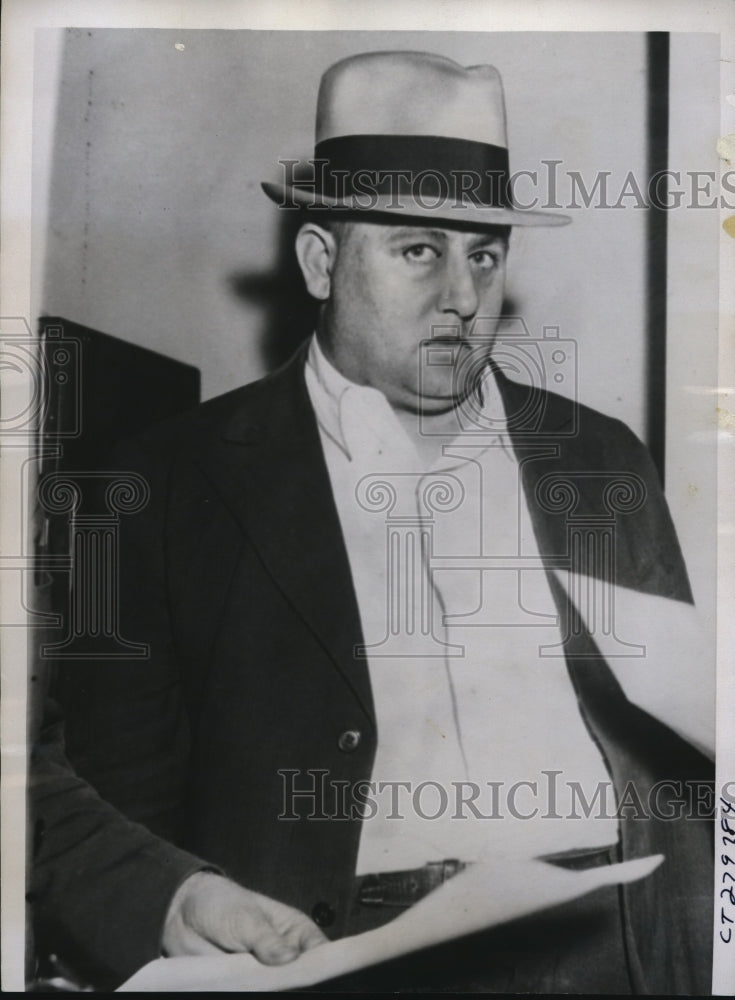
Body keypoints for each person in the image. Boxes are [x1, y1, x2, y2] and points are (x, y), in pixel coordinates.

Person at [30, 51, 714, 992]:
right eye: (418, 250)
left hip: (613, 937)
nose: (464, 298)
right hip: (346, 954)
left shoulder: (601, 460)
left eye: (483, 253)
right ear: (320, 260)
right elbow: (116, 801)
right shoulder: (158, 484)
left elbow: (685, 757)